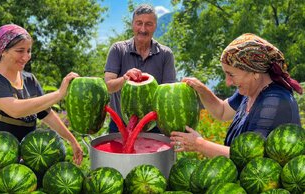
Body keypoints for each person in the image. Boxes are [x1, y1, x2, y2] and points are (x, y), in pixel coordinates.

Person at [170, 33, 302, 158]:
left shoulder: (274, 102)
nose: (227, 82)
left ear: (254, 72)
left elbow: (249, 157)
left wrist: (199, 144)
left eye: (231, 74)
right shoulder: (249, 91)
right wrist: (202, 90)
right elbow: (221, 111)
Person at [0, 24, 83, 165]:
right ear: (3, 51)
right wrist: (59, 94)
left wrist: (72, 140)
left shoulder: (30, 80)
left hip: (16, 166)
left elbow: (47, 114)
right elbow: (15, 110)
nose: (26, 57)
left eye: (28, 51)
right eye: (20, 51)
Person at [104, 4, 176, 133]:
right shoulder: (118, 49)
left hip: (155, 128)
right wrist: (125, 79)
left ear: (155, 26)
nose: (143, 29)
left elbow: (168, 94)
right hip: (120, 127)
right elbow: (108, 86)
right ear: (132, 24)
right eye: (139, 23)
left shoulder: (166, 54)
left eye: (148, 24)